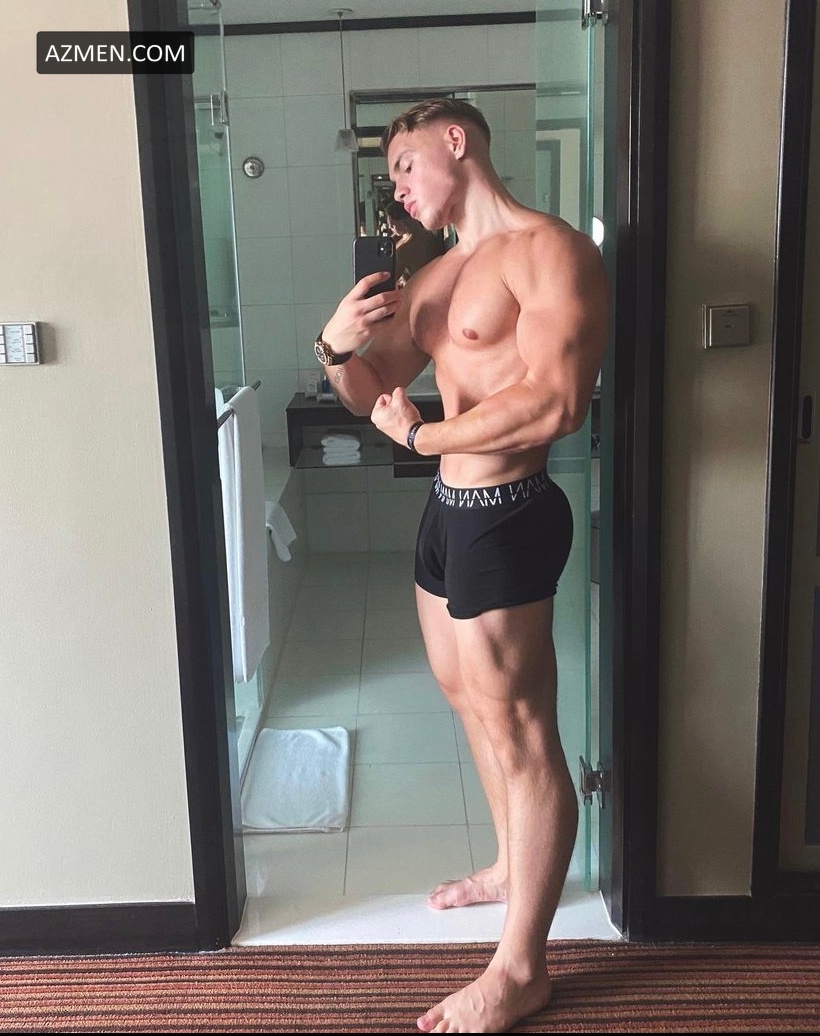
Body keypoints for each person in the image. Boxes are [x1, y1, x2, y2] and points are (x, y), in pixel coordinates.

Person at [313, 97, 609, 1033]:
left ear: (455, 140)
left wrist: (425, 435)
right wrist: (334, 345)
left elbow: (557, 401)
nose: (398, 190)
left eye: (404, 166)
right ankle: (510, 868)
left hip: (511, 512)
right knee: (470, 703)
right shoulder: (435, 275)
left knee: (521, 727)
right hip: (447, 513)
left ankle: (522, 970)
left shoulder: (551, 252)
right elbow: (372, 393)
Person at [383, 198, 445, 286]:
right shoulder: (428, 234)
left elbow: (389, 281)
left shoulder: (405, 249)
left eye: (392, 225)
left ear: (404, 223)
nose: (390, 228)